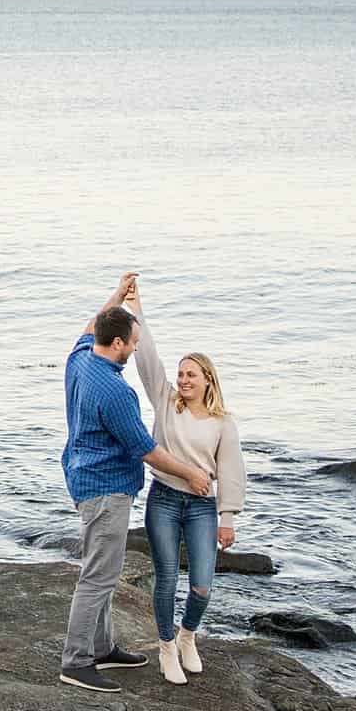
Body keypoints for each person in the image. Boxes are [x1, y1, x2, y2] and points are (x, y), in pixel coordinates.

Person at [60, 272, 211, 693]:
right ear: (120, 344)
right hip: (105, 488)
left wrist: (119, 298)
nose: (137, 348)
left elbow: (93, 324)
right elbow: (146, 449)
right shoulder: (115, 392)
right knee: (98, 577)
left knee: (102, 569)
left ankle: (103, 647)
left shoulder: (82, 358)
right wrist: (192, 473)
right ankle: (76, 661)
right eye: (134, 343)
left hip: (83, 476)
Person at [126, 284, 246, 685]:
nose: (183, 379)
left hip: (200, 506)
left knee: (202, 585)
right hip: (163, 499)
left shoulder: (222, 422)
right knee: (166, 579)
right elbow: (147, 358)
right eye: (181, 374)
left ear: (208, 380)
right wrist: (136, 307)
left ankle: (188, 636)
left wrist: (226, 517)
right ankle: (165, 648)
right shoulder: (165, 401)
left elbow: (230, 470)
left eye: (191, 374)